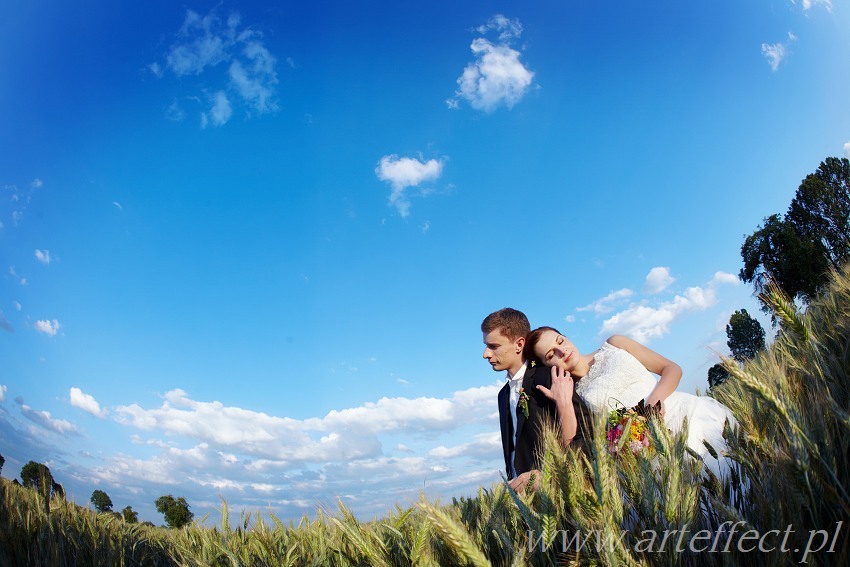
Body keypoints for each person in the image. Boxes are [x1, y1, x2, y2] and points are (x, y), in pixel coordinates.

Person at [524, 327, 735, 478]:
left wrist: (650, 408)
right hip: (643, 449)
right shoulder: (574, 393)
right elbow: (572, 445)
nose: (563, 351)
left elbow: (671, 369)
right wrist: (564, 403)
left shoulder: (614, 344)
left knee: (723, 469)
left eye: (560, 341)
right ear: (546, 366)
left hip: (683, 416)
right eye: (551, 355)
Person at [481, 309, 592, 493]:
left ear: (519, 344)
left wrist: (549, 475)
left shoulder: (550, 377)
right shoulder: (502, 395)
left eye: (493, 346)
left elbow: (588, 434)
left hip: (561, 494)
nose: (486, 354)